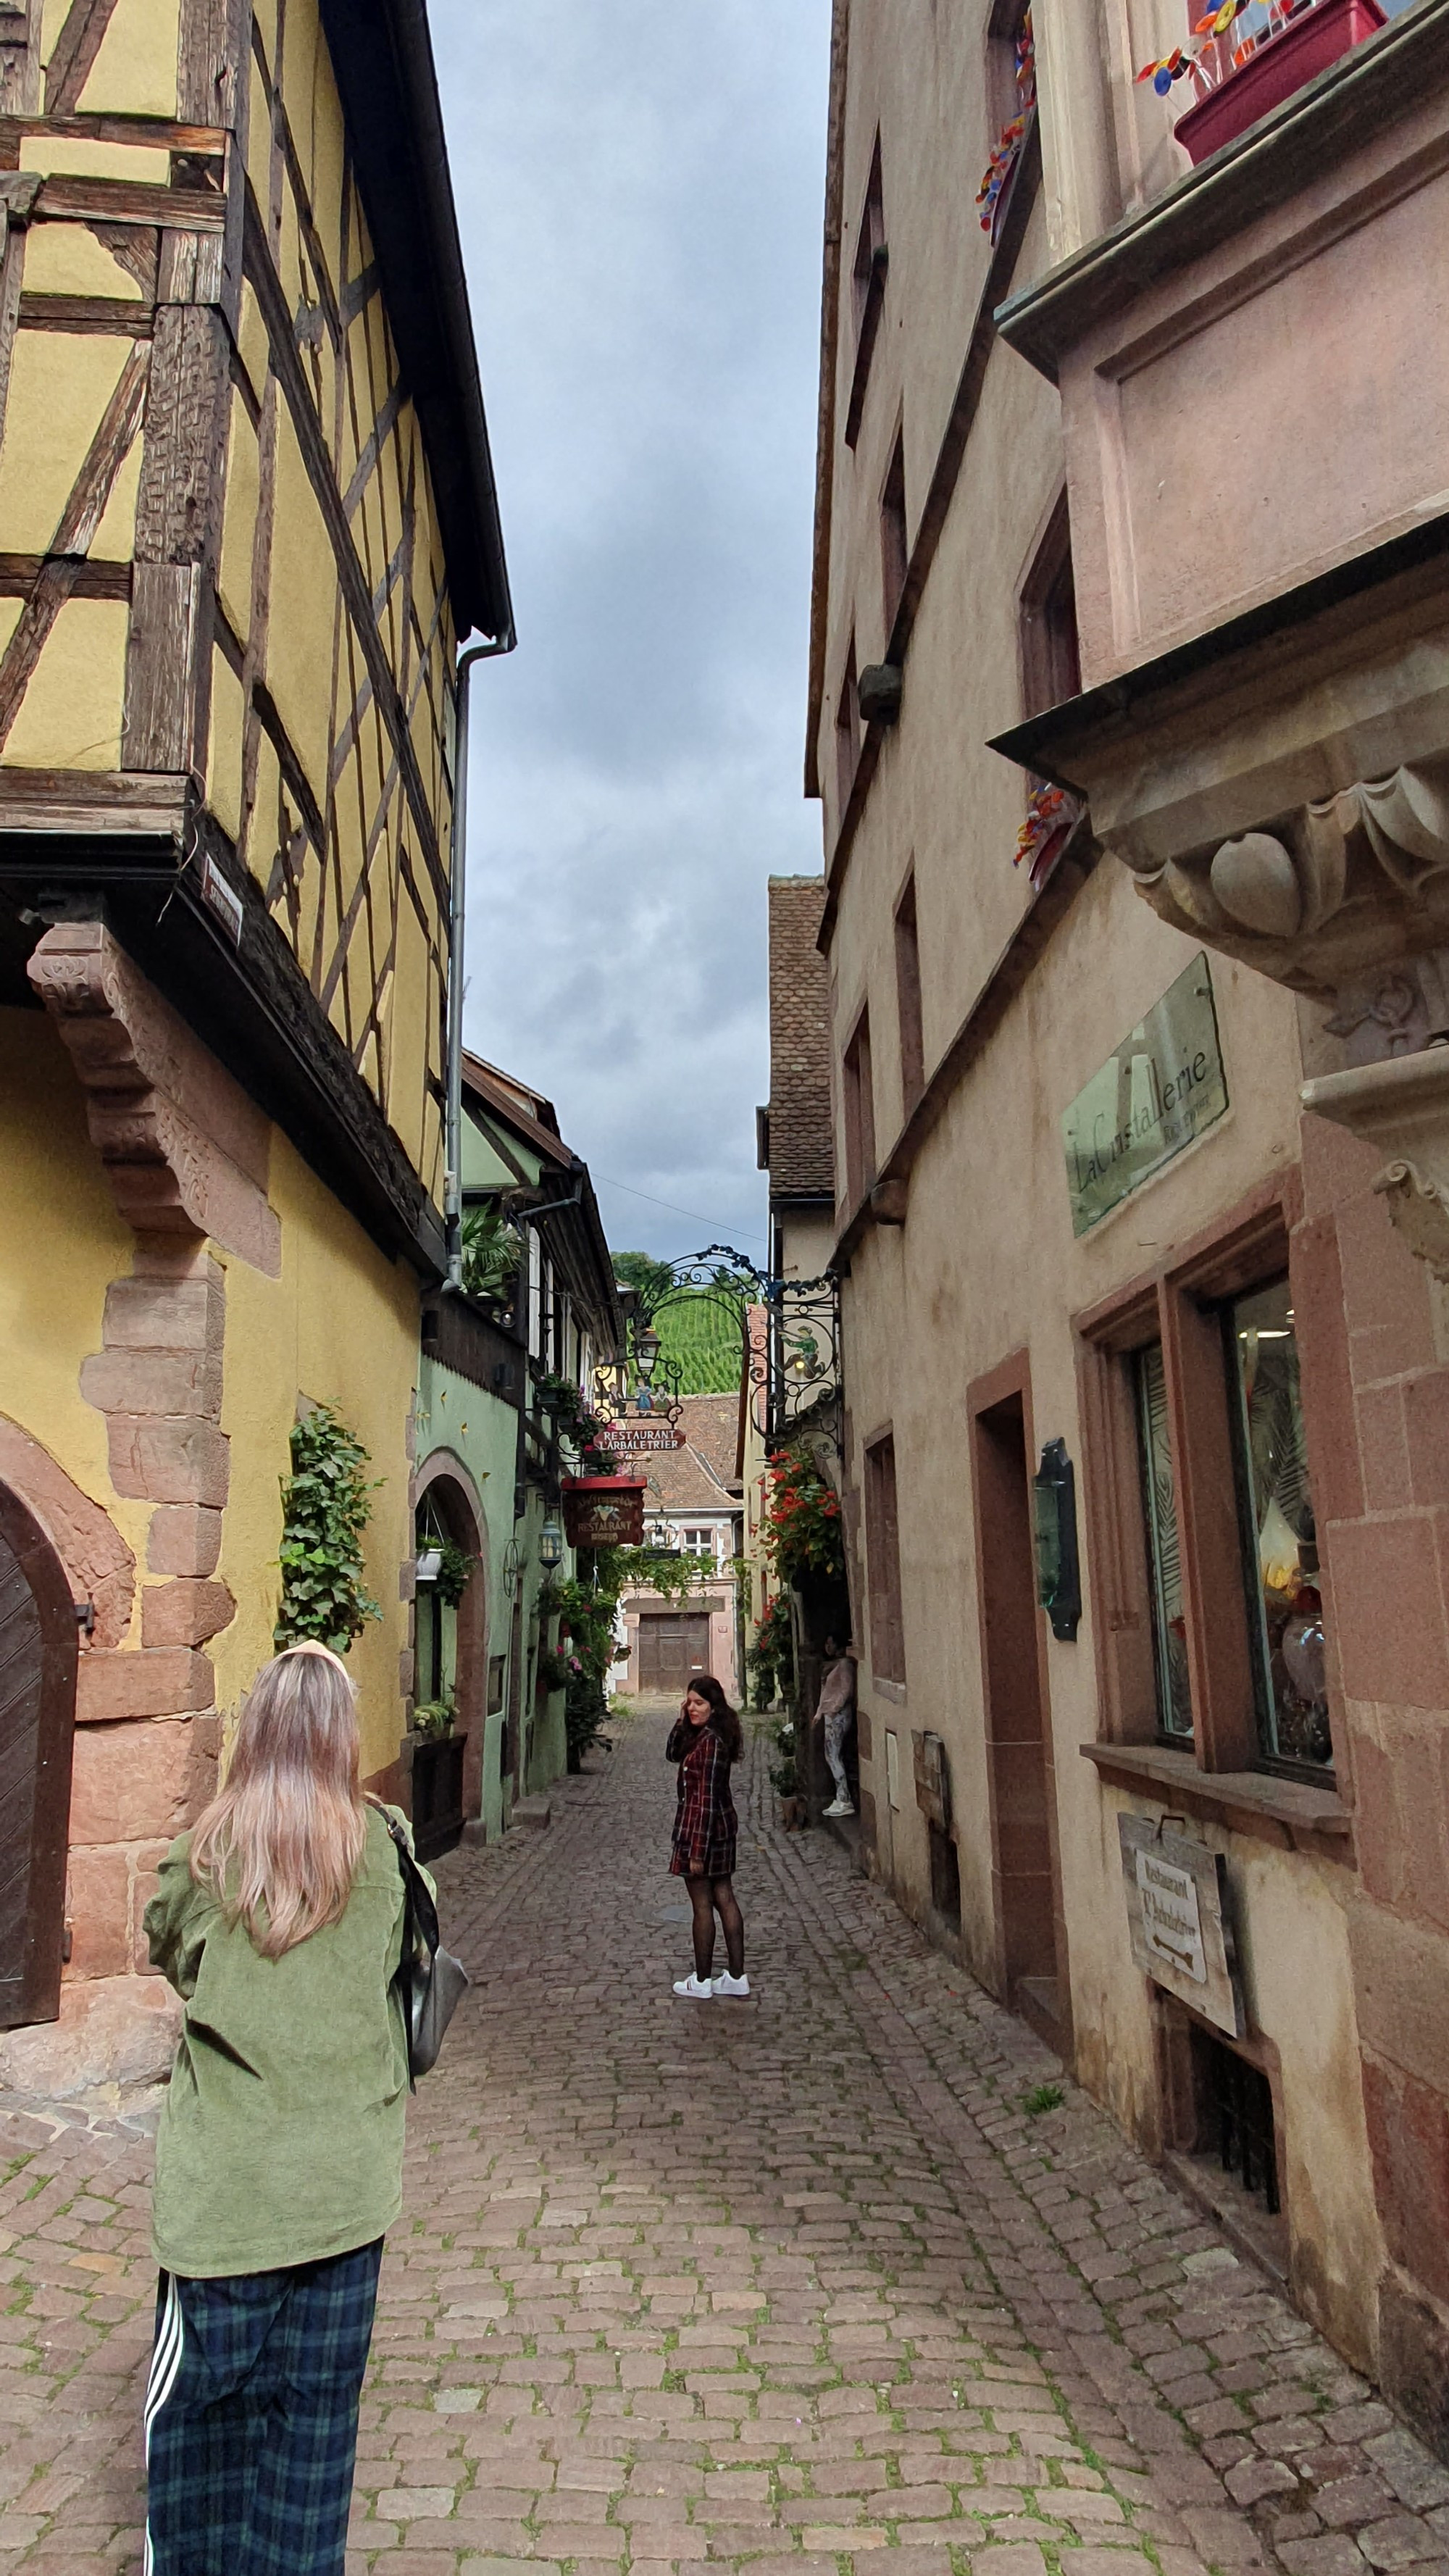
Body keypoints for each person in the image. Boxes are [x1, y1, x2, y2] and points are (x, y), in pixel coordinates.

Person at [141, 1640, 432, 2576]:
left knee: (197, 2443)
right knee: (313, 2435)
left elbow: (174, 1957)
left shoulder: (207, 1851)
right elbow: (414, 1954)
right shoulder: (385, 1847)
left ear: (254, 1730)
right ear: (344, 1737)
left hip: (226, 2197)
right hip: (344, 2190)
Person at [666, 1675, 748, 1999]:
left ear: (714, 1707)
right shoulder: (700, 1736)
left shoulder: (712, 1743)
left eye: (699, 1703)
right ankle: (735, 1977)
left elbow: (706, 1800)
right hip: (713, 1831)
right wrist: (681, 1720)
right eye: (689, 1702)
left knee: (706, 1903)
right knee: (723, 1896)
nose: (692, 1708)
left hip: (705, 1833)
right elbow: (672, 1753)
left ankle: (702, 1981)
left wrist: (696, 1851)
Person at [814, 1636, 857, 1818]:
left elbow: (847, 1689)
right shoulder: (831, 1665)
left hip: (837, 1715)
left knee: (833, 1755)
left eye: (831, 1643)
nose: (828, 1647)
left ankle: (844, 1798)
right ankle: (840, 1797)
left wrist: (834, 1709)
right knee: (830, 1755)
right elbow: (825, 1692)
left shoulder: (844, 1664)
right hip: (830, 1714)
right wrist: (819, 1713)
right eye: (826, 1643)